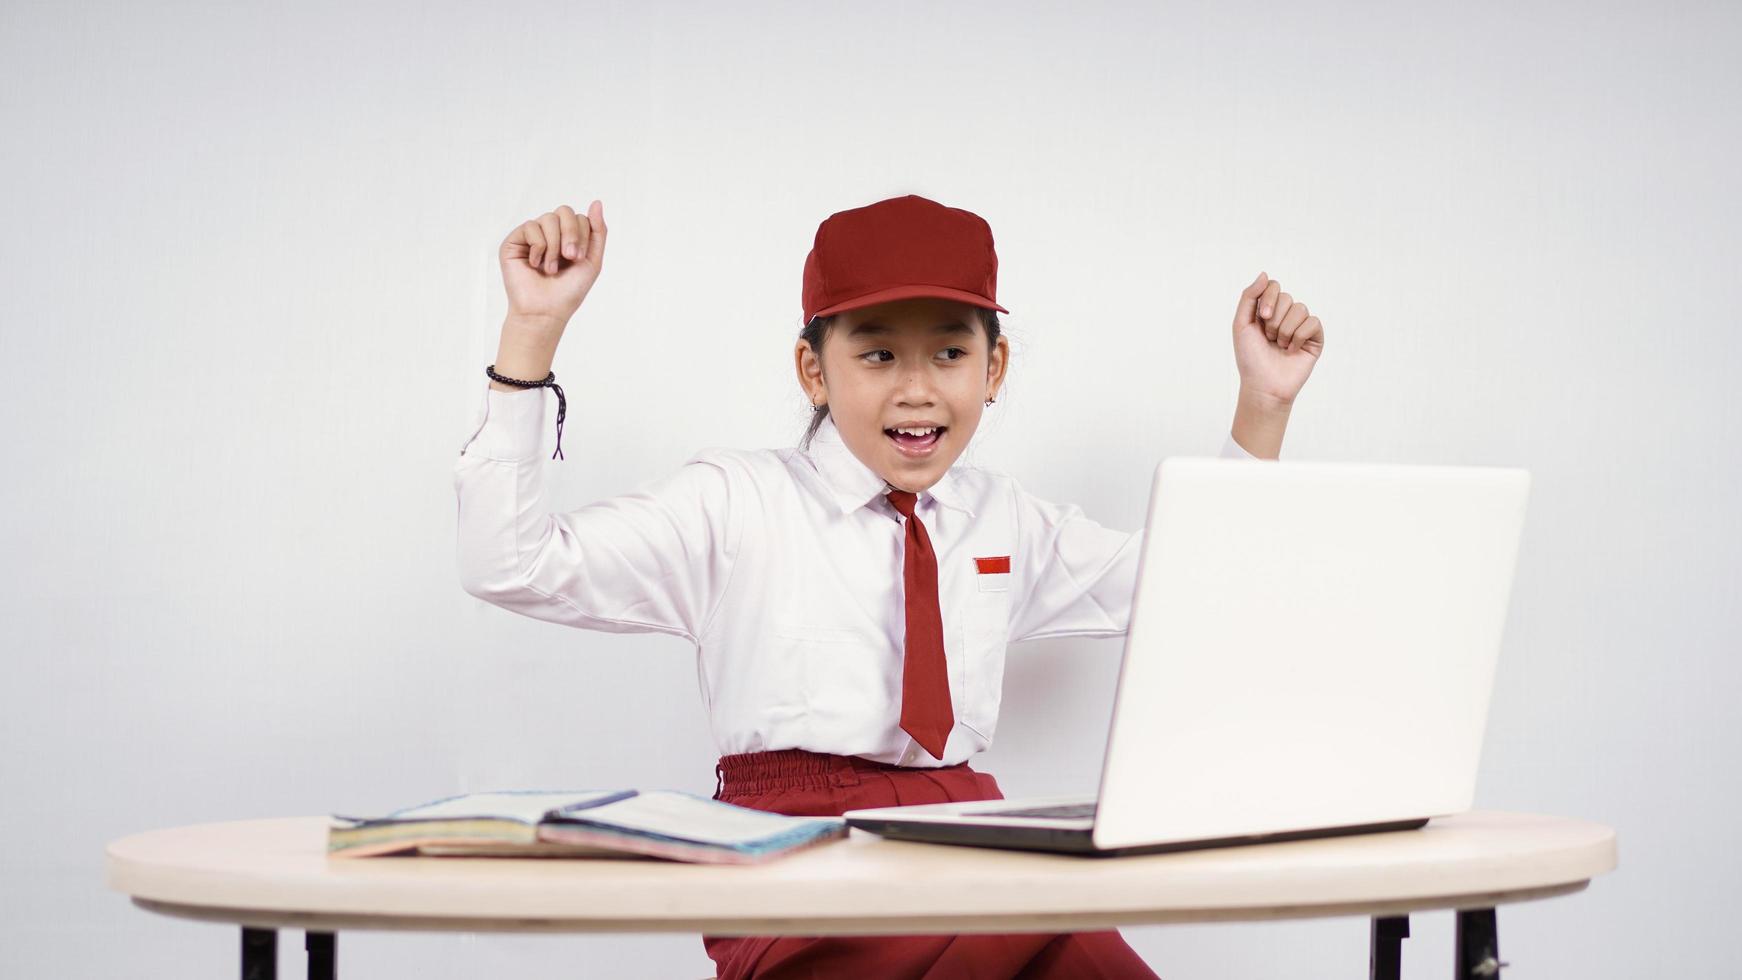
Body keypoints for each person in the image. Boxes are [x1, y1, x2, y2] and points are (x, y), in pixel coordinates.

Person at [454, 193, 1326, 978]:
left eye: (950, 351)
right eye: (877, 354)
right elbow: (511, 563)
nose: (917, 390)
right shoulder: (735, 502)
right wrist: (530, 336)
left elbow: (1192, 585)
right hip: (795, 852)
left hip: (970, 831)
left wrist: (1265, 404)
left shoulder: (1004, 517)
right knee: (1002, 926)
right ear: (814, 372)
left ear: (993, 370)